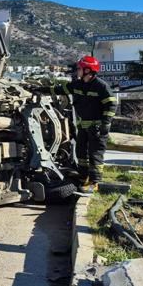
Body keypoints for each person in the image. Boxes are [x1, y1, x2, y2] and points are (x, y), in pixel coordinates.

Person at [50, 56, 117, 191]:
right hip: (83, 127)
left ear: (88, 70)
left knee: (95, 154)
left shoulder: (101, 86)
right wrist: (42, 89)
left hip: (97, 127)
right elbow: (61, 89)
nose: (78, 71)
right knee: (81, 153)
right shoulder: (78, 84)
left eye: (80, 68)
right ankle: (83, 177)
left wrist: (105, 124)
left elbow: (111, 105)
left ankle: (94, 182)